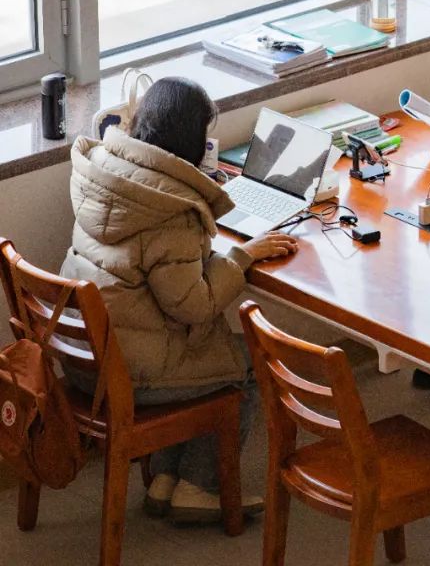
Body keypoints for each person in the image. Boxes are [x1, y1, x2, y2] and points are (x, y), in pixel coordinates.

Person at [61, 77, 299, 523]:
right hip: (127, 374)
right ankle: (200, 487)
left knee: (198, 348)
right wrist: (242, 257)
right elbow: (194, 306)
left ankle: (167, 479)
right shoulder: (170, 209)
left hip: (82, 359)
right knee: (248, 361)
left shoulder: (105, 174)